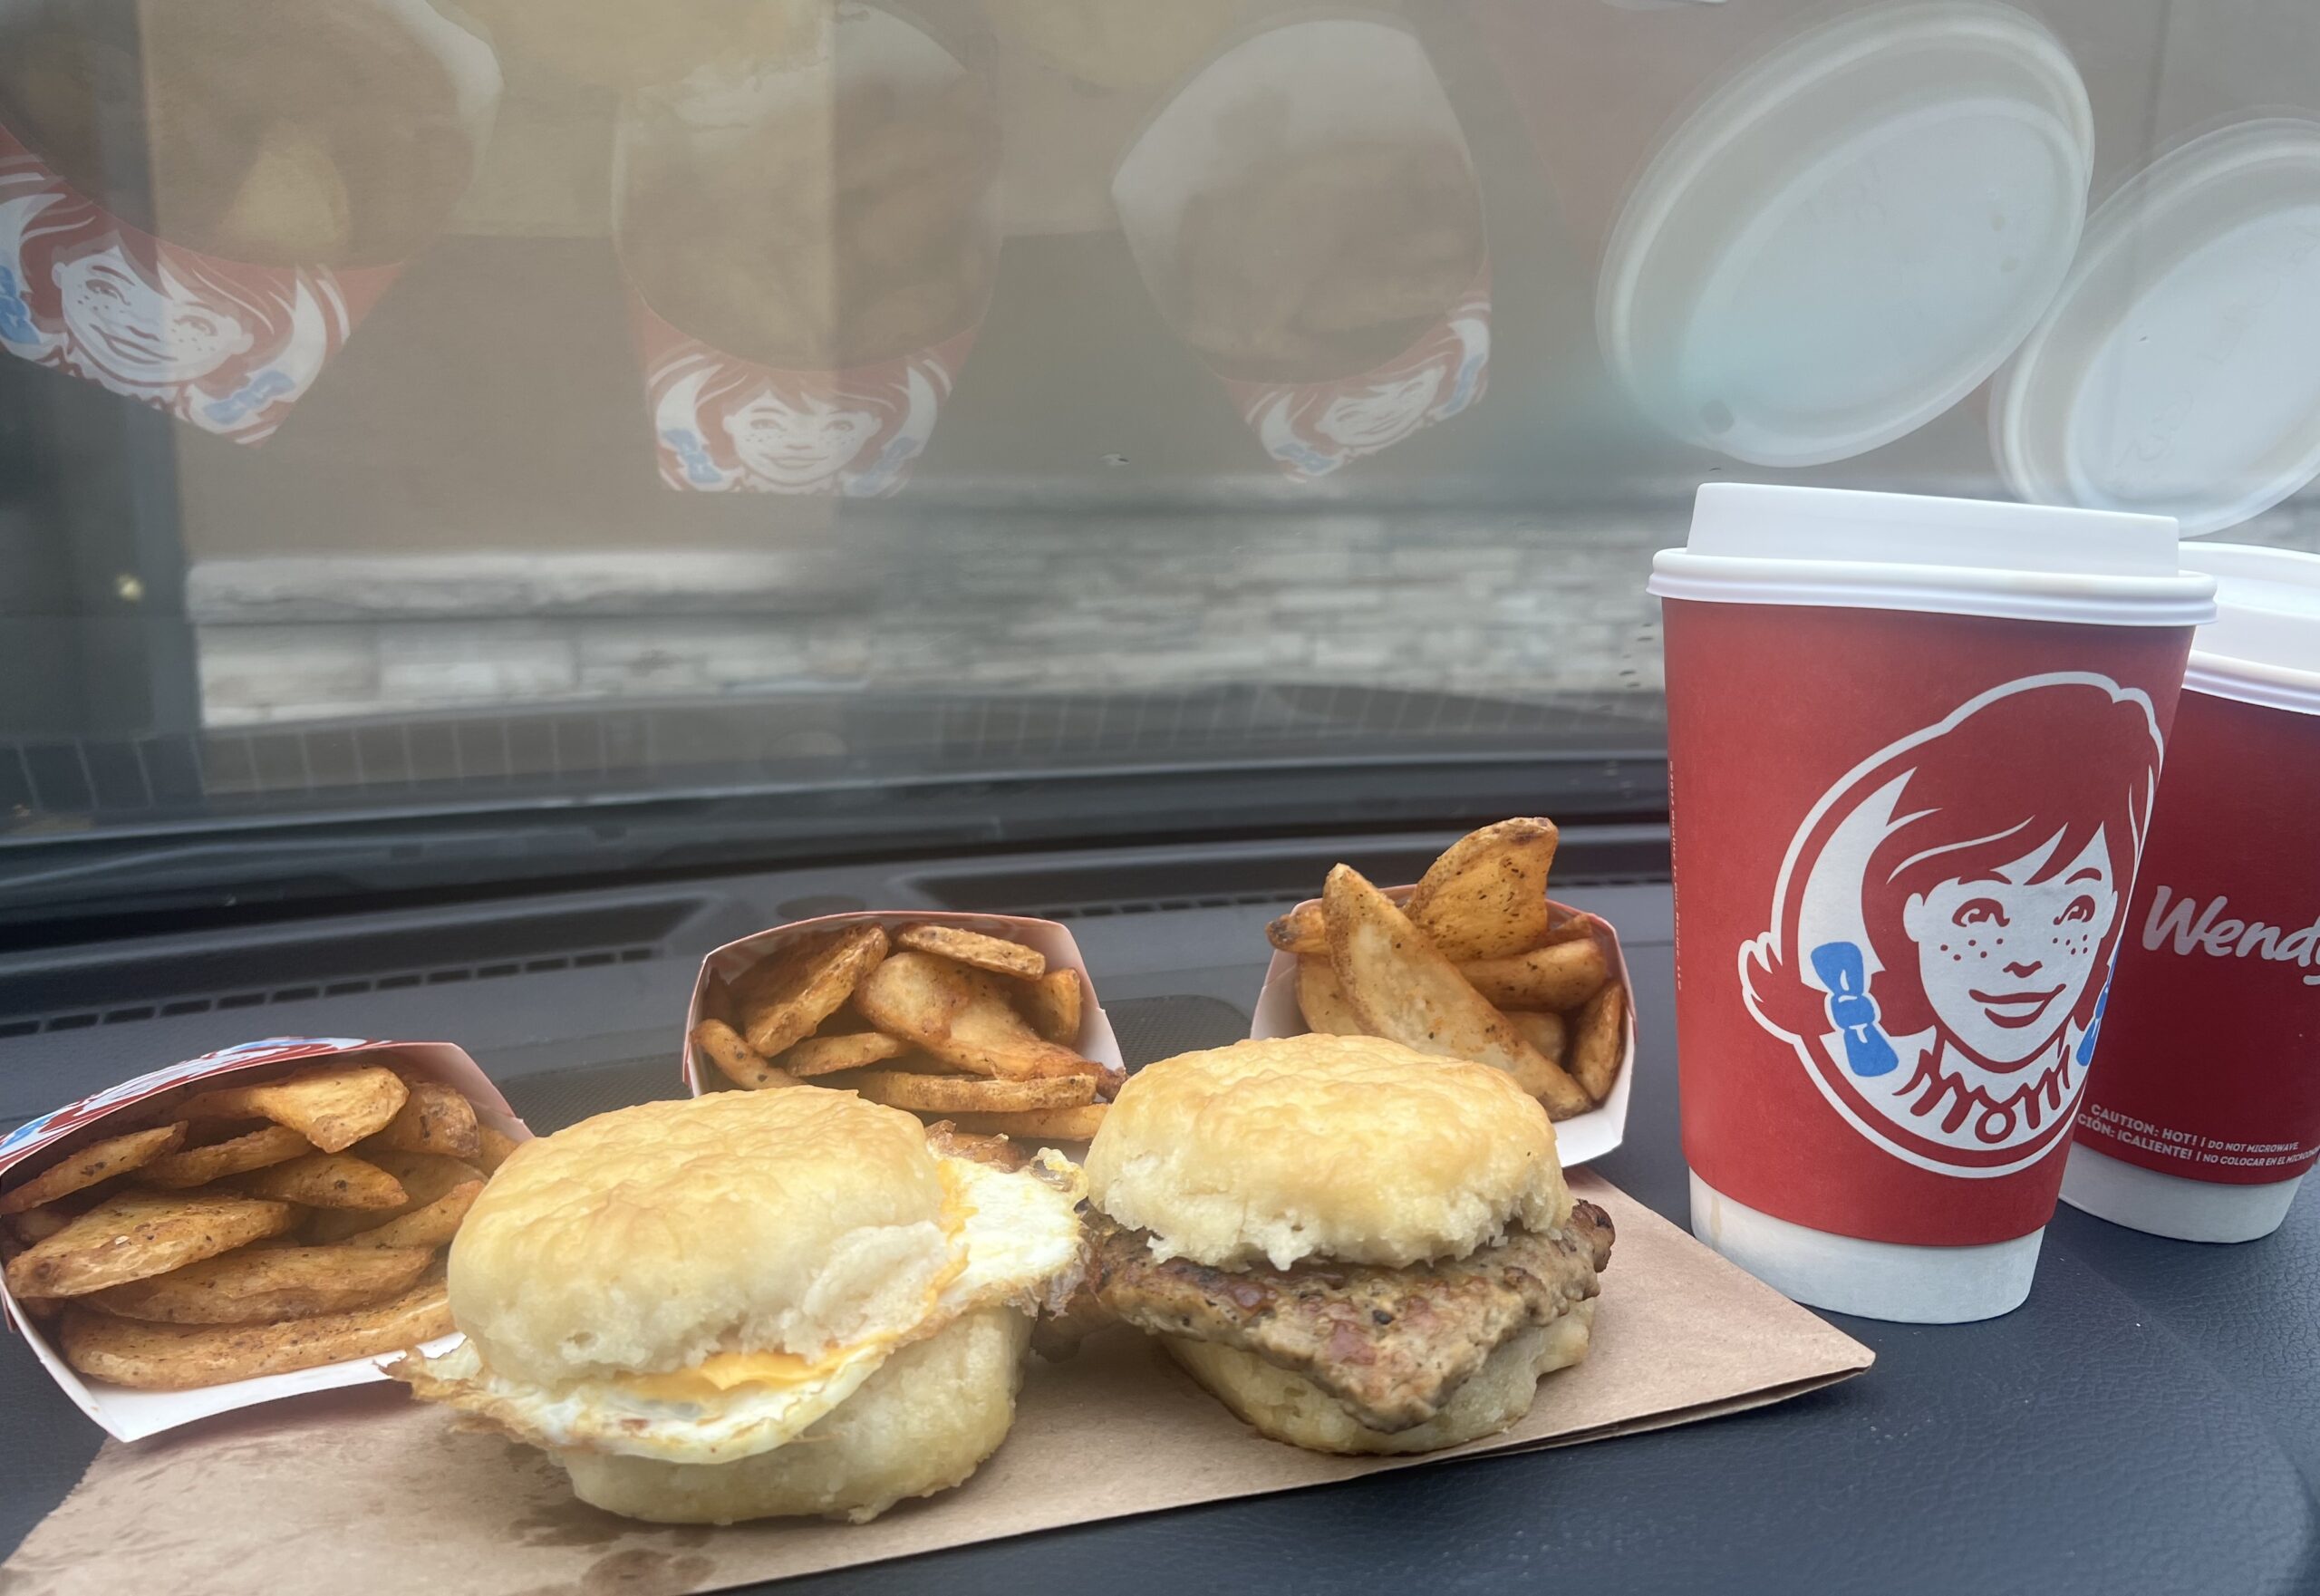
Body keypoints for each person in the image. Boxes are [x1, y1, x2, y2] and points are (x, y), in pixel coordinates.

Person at [1742, 675, 2165, 1174]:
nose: (2026, 958)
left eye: (2074, 910)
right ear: (1911, 911)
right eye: (1981, 913)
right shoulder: (1880, 1005)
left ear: (2111, 911)